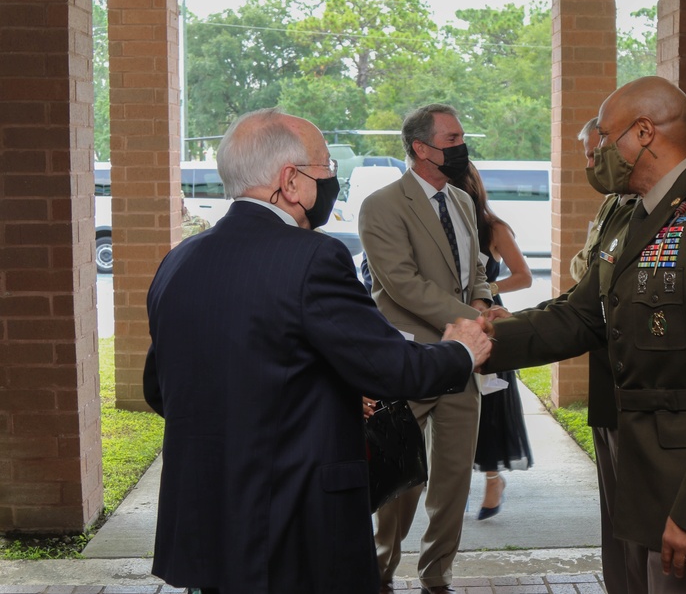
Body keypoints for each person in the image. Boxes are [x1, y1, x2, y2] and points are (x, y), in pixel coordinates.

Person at [143, 108, 493, 594]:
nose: (333, 180)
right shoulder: (313, 257)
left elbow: (162, 389)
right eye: (326, 167)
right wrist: (460, 349)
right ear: (290, 181)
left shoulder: (178, 262)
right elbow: (391, 367)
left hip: (208, 521)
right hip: (295, 525)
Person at [485, 76, 686, 593]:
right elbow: (583, 315)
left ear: (644, 133)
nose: (598, 152)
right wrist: (486, 341)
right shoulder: (628, 216)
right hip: (643, 473)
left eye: (605, 139)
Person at [359, 104, 494, 594]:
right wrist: (473, 321)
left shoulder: (459, 200)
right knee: (401, 482)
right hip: (410, 362)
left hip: (462, 364)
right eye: (453, 138)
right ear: (421, 148)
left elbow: (476, 267)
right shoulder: (381, 205)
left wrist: (481, 300)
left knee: (454, 479)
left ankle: (437, 575)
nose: (461, 147)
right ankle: (379, 571)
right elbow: (401, 284)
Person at [570, 117, 648, 594]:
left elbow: (594, 272)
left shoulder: (659, 208)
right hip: (606, 371)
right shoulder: (613, 205)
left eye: (591, 151)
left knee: (639, 517)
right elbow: (585, 270)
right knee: (614, 511)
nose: (588, 162)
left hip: (641, 387)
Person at [450, 163, 534, 520]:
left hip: (487, 324)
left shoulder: (494, 228)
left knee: (491, 404)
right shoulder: (438, 227)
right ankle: (452, 483)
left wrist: (486, 289)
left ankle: (492, 478)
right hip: (450, 322)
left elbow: (525, 276)